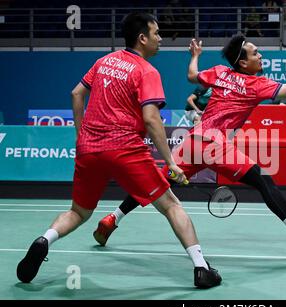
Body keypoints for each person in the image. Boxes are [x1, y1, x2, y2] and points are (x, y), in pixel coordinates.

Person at [93, 34, 286, 252]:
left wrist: (195, 56)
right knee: (262, 180)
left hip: (193, 141)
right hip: (214, 143)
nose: (260, 56)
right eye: (255, 53)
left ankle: (112, 219)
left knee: (158, 184)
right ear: (243, 63)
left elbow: (191, 76)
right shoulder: (257, 85)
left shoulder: (220, 72)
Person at [16, 12, 221, 289]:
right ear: (142, 38)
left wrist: (81, 135)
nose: (160, 39)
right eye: (157, 33)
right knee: (171, 205)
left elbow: (76, 93)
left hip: (90, 149)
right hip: (125, 148)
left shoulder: (104, 61)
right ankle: (201, 268)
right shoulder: (147, 71)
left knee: (78, 212)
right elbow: (150, 120)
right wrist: (171, 161)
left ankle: (45, 239)